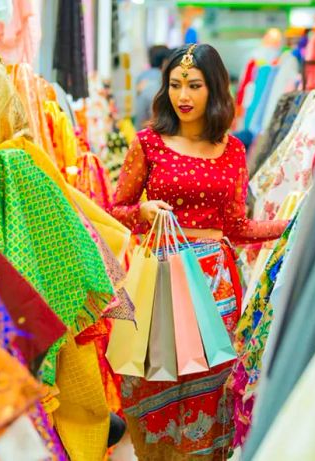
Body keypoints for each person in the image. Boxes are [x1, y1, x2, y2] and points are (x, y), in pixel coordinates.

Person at [110, 43, 288, 460]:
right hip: (159, 281)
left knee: (211, 386)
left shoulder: (233, 151)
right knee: (156, 379)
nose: (183, 96)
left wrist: (290, 225)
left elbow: (237, 227)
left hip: (216, 290)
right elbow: (114, 209)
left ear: (215, 90)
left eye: (194, 85)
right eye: (175, 85)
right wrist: (143, 210)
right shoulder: (148, 143)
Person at [134, 45, 171, 129]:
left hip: (141, 127)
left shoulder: (141, 76)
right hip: (157, 129)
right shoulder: (163, 79)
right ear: (165, 61)